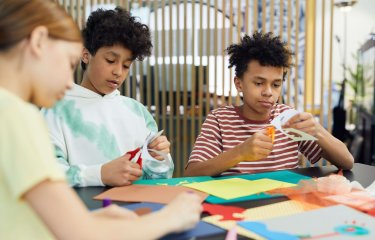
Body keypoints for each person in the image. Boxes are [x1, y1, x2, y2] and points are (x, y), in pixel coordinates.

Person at [0, 0, 202, 239]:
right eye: (69, 63)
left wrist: (92, 219)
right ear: (37, 41)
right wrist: (171, 217)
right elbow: (81, 234)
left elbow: (26, 216)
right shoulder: (17, 114)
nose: (68, 81)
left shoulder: (10, 110)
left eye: (126, 65)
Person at [184, 32, 354, 177]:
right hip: (238, 207)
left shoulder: (288, 118)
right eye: (259, 83)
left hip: (285, 203)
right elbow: (192, 173)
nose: (268, 92)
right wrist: (241, 152)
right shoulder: (220, 120)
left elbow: (347, 162)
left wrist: (318, 131)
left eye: (276, 84)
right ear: (239, 84)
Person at [42, 7, 173, 187]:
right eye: (111, 61)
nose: (118, 72)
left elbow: (160, 181)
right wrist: (100, 174)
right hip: (83, 212)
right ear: (86, 55)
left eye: (126, 65)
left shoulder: (137, 112)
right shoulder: (56, 109)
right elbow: (47, 174)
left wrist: (159, 158)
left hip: (137, 209)